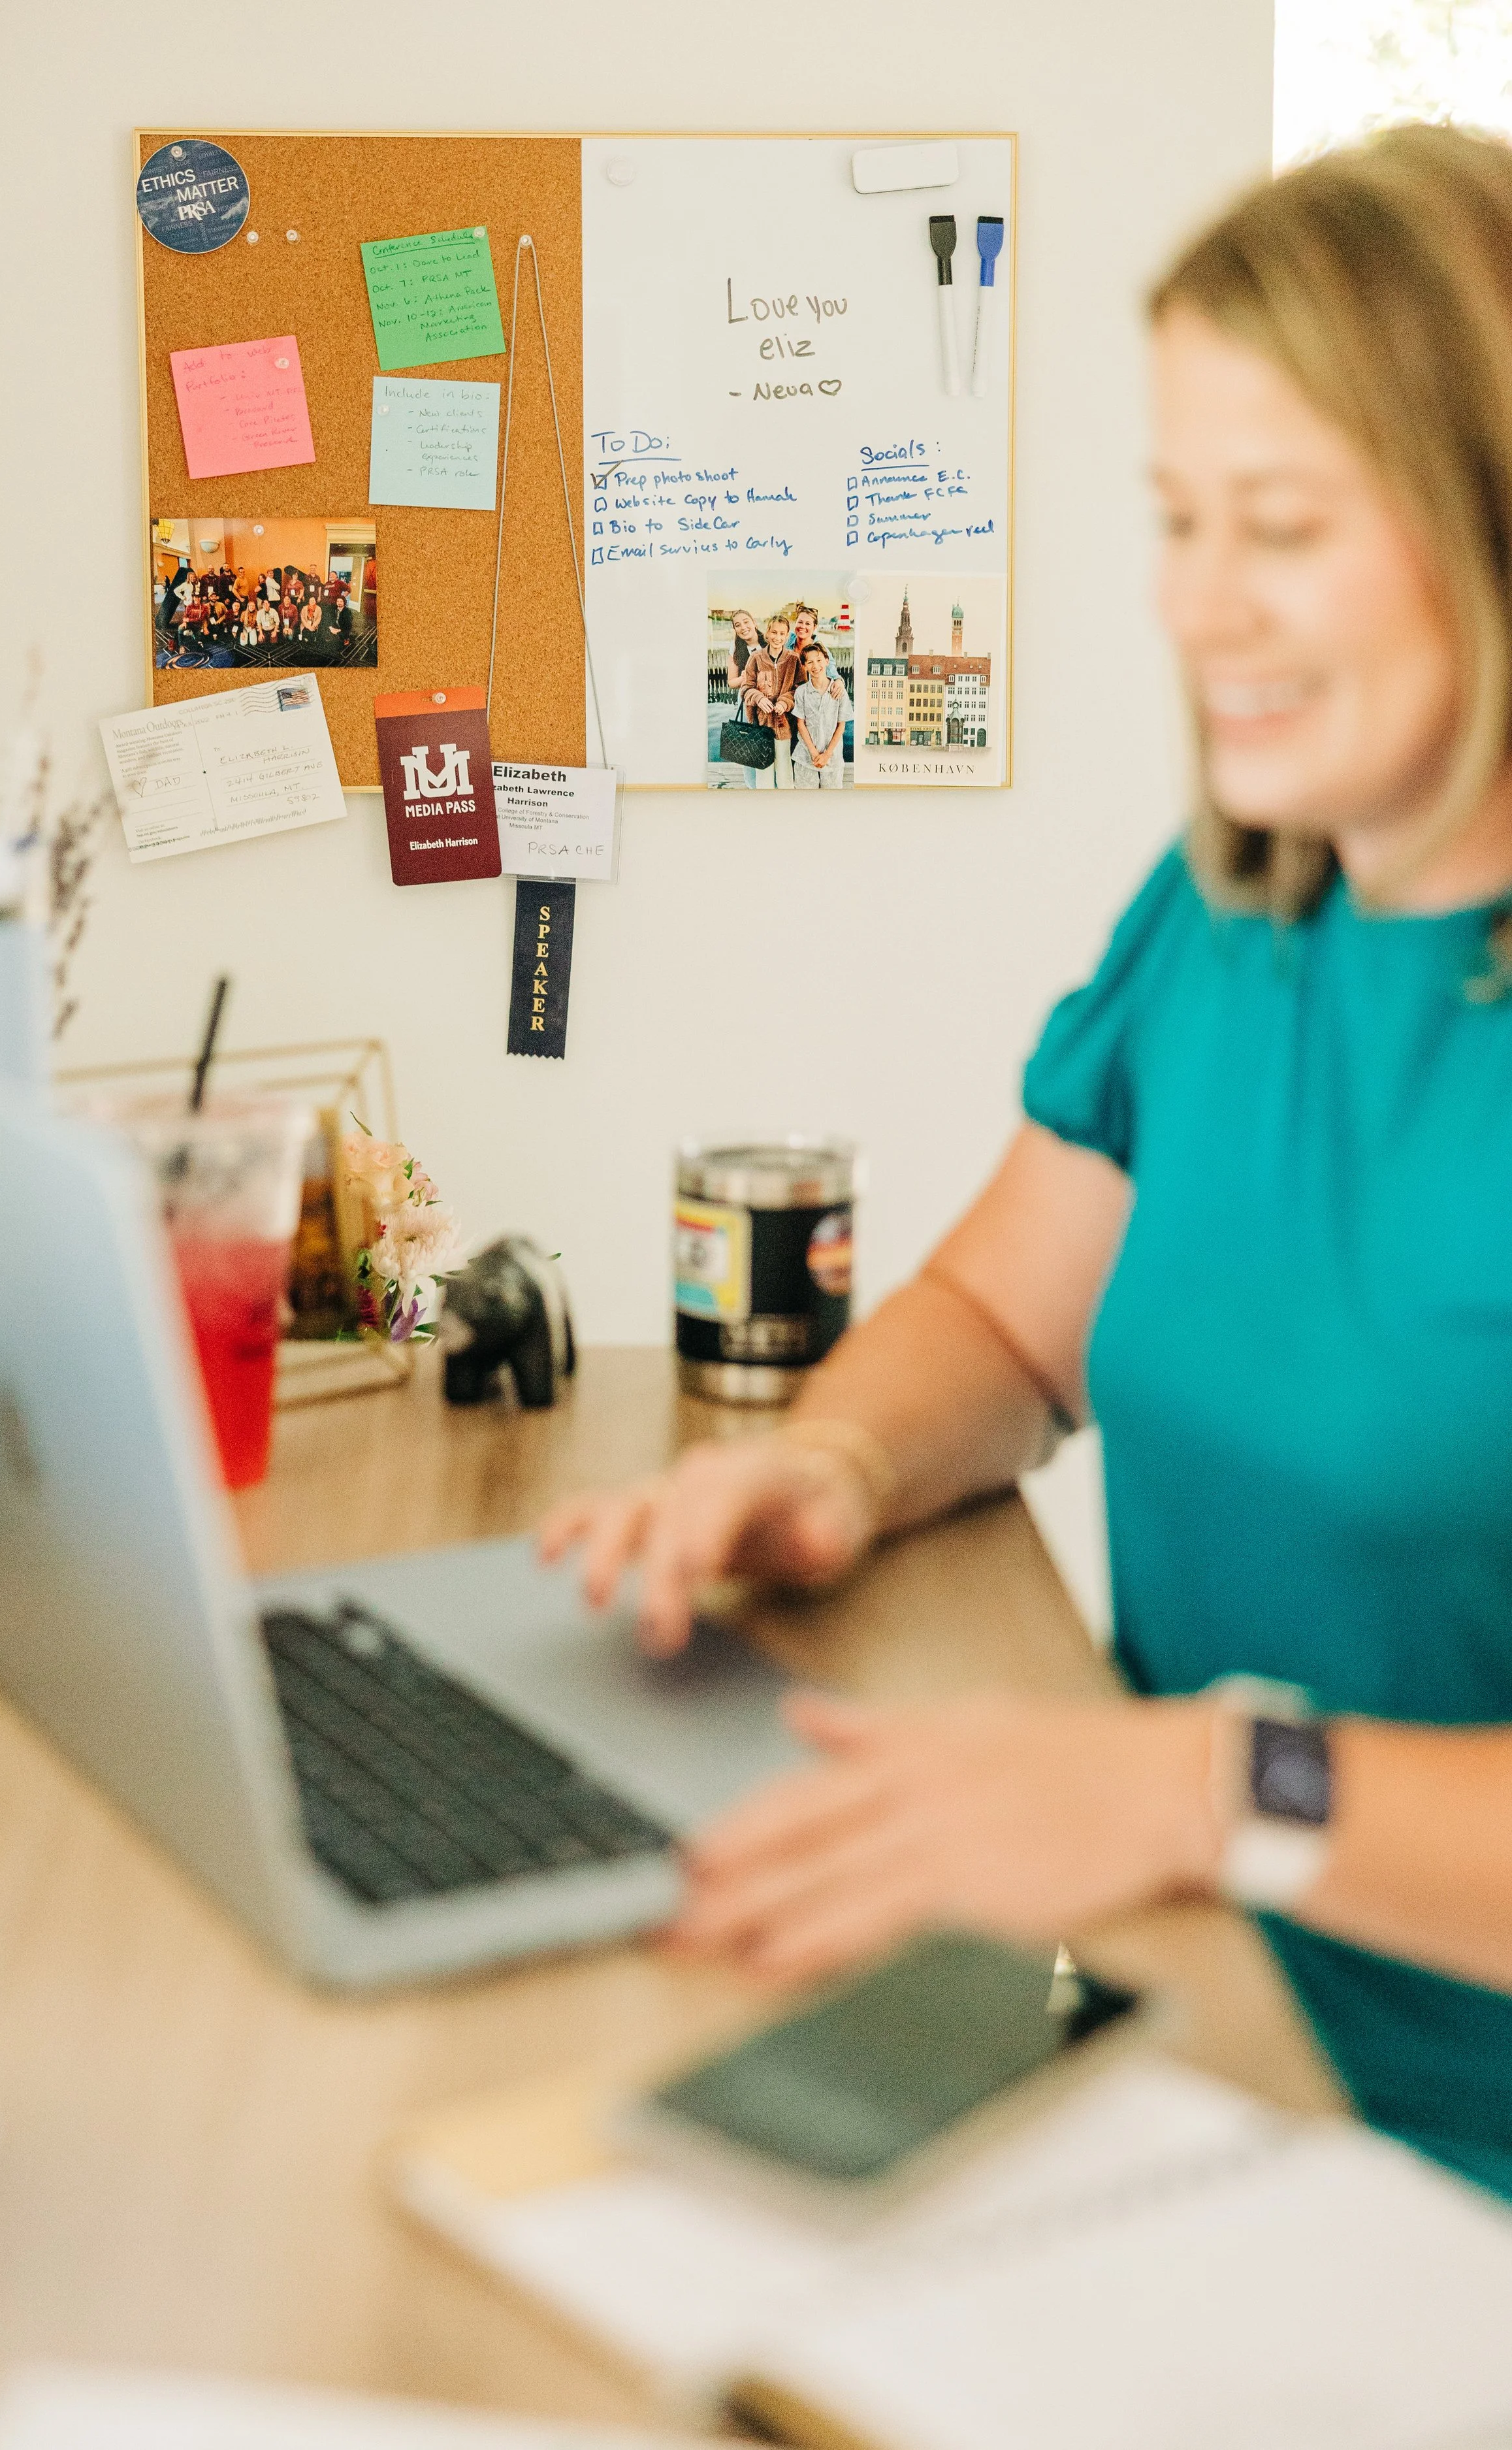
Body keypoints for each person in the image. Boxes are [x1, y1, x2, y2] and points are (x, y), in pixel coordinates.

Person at [542, 123, 1512, 2202]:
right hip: (1175, 2027)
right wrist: (830, 1468)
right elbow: (1001, 1311)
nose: (1189, 605)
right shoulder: (1228, 917)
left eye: (1274, 522)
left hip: (1442, 2160)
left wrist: (1199, 1786)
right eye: (1173, 518)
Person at [735, 615, 798, 790]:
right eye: (774, 632)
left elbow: (799, 690)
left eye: (782, 634)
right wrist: (759, 698)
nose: (778, 638)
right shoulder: (756, 659)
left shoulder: (794, 660)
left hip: (784, 726)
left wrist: (785, 702)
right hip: (761, 726)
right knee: (764, 776)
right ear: (768, 634)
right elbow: (746, 688)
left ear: (787, 637)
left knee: (785, 774)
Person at [791, 642, 846, 788]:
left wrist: (827, 755)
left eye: (819, 660)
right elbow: (800, 724)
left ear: (827, 661)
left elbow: (841, 726)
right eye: (810, 662)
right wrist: (814, 753)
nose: (815, 666)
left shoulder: (839, 692)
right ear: (804, 666)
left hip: (832, 757)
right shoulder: (801, 692)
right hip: (806, 756)